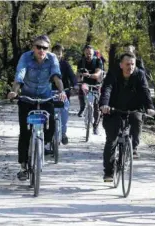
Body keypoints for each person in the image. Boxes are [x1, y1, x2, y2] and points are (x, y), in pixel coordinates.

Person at [7, 35, 67, 181]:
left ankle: (41, 145)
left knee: (51, 127)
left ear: (48, 49)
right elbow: (20, 75)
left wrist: (61, 91)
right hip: (27, 98)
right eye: (38, 47)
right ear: (33, 47)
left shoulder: (52, 58)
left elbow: (56, 76)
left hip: (45, 97)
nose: (41, 50)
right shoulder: (25, 58)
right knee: (24, 133)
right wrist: (15, 91)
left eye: (44, 47)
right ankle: (23, 166)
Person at [100, 52, 155, 182]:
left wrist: (150, 107)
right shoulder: (113, 73)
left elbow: (145, 90)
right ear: (121, 65)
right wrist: (104, 105)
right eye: (127, 64)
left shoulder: (139, 74)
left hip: (133, 108)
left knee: (137, 119)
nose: (130, 67)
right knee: (111, 140)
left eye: (132, 64)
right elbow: (107, 89)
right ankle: (109, 172)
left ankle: (134, 148)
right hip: (113, 109)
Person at [51, 43, 78, 145]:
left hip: (63, 93)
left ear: (62, 54)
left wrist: (75, 84)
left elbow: (72, 76)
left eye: (59, 54)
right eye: (55, 53)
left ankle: (63, 133)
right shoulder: (47, 63)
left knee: (64, 112)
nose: (57, 56)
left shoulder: (65, 64)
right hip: (49, 93)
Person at [77, 45, 103, 135]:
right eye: (87, 53)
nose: (88, 55)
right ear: (84, 53)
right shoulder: (81, 62)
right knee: (81, 88)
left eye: (90, 54)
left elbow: (97, 75)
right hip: (85, 83)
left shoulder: (98, 61)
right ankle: (82, 108)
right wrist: (79, 77)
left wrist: (88, 75)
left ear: (93, 53)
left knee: (96, 106)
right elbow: (79, 77)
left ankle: (95, 126)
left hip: (96, 84)